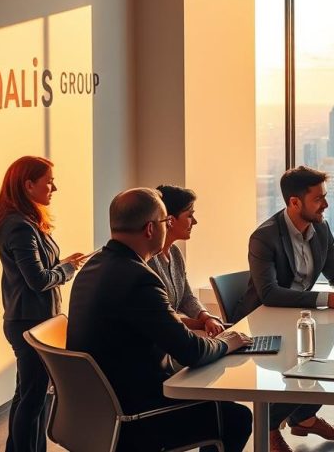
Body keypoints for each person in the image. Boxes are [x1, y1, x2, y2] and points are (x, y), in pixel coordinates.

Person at [66, 188, 253, 452]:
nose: (169, 228)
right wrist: (227, 343)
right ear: (151, 229)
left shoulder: (94, 266)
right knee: (237, 418)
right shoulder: (137, 278)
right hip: (136, 418)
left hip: (96, 411)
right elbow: (192, 352)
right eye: (166, 222)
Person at [233, 166, 334, 452]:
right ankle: (269, 427)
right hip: (264, 325)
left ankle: (304, 419)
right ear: (294, 202)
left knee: (322, 366)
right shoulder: (264, 237)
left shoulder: (321, 228)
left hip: (302, 318)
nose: (325, 205)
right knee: (310, 373)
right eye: (319, 199)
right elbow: (269, 293)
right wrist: (327, 300)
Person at [0, 155, 88, 452]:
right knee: (33, 397)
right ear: (28, 185)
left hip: (34, 319)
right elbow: (38, 280)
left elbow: (40, 271)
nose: (54, 188)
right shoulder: (19, 227)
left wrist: (64, 264)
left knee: (30, 393)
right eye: (49, 182)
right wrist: (66, 269)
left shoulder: (26, 222)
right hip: (29, 321)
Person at [148, 185, 226, 337]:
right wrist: (202, 323)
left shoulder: (175, 253)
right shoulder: (148, 261)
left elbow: (186, 297)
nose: (194, 222)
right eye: (190, 215)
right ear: (170, 220)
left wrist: (206, 316)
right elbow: (162, 318)